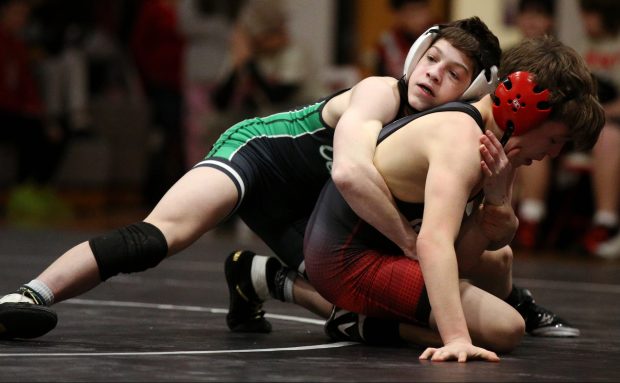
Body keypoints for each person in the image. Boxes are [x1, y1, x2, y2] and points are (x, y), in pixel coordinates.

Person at [0, 16, 502, 341]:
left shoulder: (441, 133)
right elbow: (350, 171)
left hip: (310, 206)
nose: (434, 73)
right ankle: (30, 294)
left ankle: (258, 277)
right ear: (416, 55)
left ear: (472, 90)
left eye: (453, 73)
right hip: (259, 157)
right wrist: (409, 240)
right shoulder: (379, 93)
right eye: (432, 58)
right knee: (159, 237)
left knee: (353, 306)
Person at [303, 36, 604, 362]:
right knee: (505, 329)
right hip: (347, 260)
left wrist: (497, 196)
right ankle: (362, 323)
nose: (554, 152)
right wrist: (457, 338)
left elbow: (490, 240)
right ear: (525, 111)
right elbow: (434, 243)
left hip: (390, 246)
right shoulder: (461, 139)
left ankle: (407, 314)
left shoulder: (502, 138)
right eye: (555, 139)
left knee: (500, 259)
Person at [508, 0, 558, 249]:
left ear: (551, 21)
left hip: (548, 128)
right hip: (511, 125)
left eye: (539, 15)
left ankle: (531, 218)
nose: (531, 21)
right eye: (526, 15)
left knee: (533, 136)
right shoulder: (508, 55)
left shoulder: (560, 58)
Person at [576, 0, 620, 259]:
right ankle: (530, 216)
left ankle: (605, 221)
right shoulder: (585, 47)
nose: (585, 23)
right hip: (585, 122)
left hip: (609, 126)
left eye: (589, 16)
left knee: (607, 136)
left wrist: (600, 113)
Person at [368, 0, 439, 77]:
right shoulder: (388, 43)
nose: (420, 17)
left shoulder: (440, 35)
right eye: (412, 11)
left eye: (422, 9)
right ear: (399, 15)